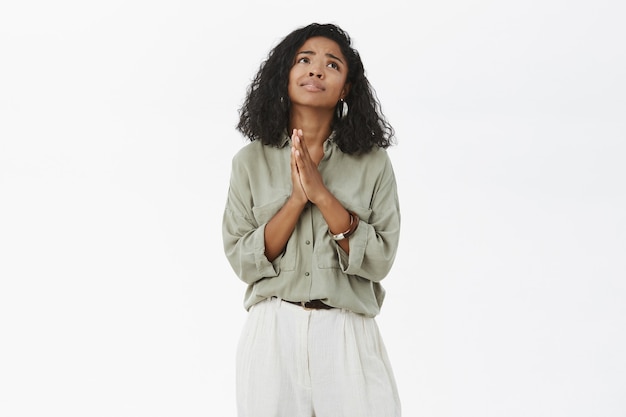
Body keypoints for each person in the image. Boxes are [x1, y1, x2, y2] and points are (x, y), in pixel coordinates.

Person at [222, 22, 402, 417]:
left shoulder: (372, 163)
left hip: (346, 331)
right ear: (285, 73)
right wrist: (295, 201)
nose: (316, 70)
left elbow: (380, 259)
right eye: (304, 60)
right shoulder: (249, 162)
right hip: (273, 333)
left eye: (332, 65)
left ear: (346, 88)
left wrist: (321, 195)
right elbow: (243, 260)